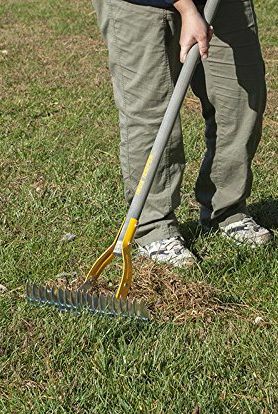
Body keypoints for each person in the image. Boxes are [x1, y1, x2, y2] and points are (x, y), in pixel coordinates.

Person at [92, 0, 272, 267]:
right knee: (151, 115)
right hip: (142, 5)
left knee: (241, 101)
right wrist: (187, 9)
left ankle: (226, 208)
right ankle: (154, 228)